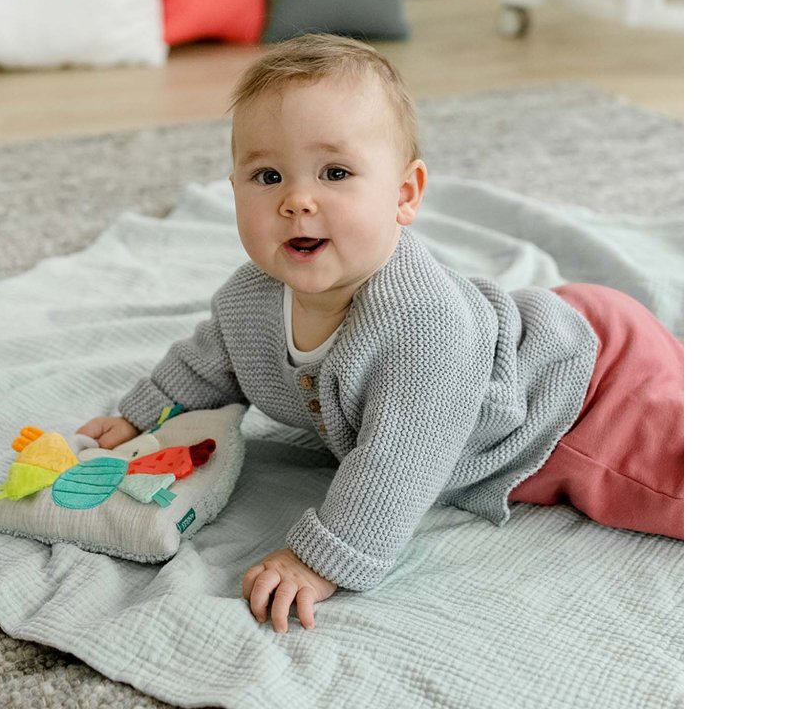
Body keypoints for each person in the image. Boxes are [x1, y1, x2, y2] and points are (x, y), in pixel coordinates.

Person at [77, 33, 684, 634]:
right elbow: (210, 362)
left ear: (404, 194)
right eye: (267, 176)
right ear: (233, 190)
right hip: (549, 323)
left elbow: (398, 462)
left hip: (581, 399)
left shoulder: (421, 327)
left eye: (335, 172)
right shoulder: (250, 298)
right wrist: (141, 415)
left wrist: (320, 559)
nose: (297, 200)